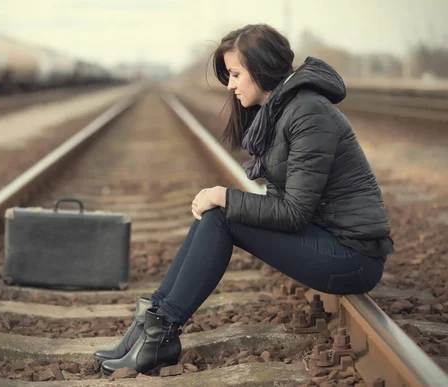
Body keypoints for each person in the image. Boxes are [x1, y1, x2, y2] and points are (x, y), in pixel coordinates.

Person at [95, 23, 394, 375]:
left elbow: (293, 213)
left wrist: (224, 196)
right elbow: (289, 206)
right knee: (219, 213)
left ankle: (160, 334)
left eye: (235, 73)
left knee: (222, 213)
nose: (230, 84)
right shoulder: (284, 110)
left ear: (261, 67)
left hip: (353, 257)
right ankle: (150, 325)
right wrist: (224, 200)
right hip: (330, 238)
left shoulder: (309, 113)